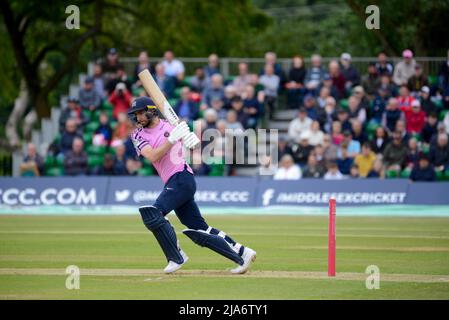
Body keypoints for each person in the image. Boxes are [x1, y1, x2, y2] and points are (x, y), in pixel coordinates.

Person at [127, 97, 256, 274]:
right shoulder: (137, 134)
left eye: (141, 112)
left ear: (151, 110)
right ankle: (243, 253)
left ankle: (175, 256)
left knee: (153, 214)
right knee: (199, 228)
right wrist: (172, 140)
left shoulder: (171, 124)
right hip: (174, 181)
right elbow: (153, 156)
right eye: (136, 114)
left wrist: (188, 137)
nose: (138, 117)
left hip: (182, 177)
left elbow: (191, 143)